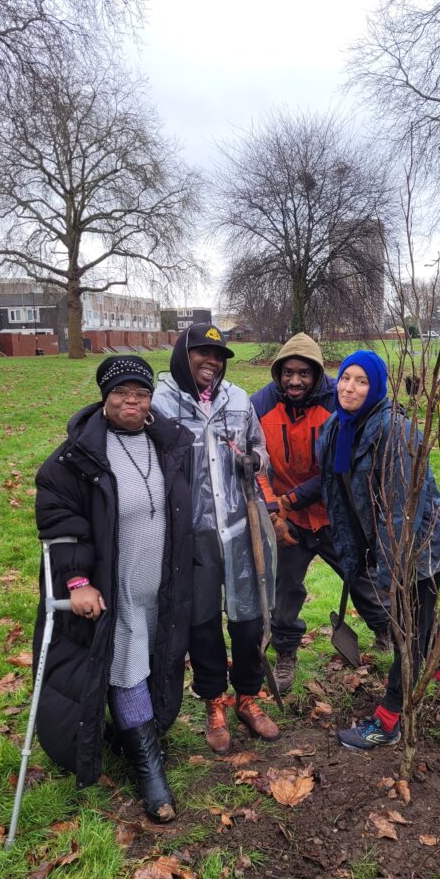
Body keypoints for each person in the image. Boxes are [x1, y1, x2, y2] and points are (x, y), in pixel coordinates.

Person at [33, 355, 193, 821]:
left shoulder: (169, 445)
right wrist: (77, 582)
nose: (131, 401)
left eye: (140, 394)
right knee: (126, 663)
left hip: (160, 583)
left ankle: (143, 730)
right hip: (113, 585)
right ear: (105, 399)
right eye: (121, 393)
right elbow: (62, 524)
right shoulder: (76, 457)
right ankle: (149, 770)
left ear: (150, 400)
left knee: (156, 658)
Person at [153, 323, 280, 755]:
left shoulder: (239, 399)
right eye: (203, 353)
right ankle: (214, 702)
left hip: (240, 527)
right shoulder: (161, 403)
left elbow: (261, 449)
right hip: (192, 533)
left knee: (248, 618)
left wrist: (254, 460)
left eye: (219, 355)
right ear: (182, 355)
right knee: (202, 622)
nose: (212, 362)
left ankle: (248, 696)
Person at [318, 350, 440, 749]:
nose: (350, 388)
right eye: (345, 378)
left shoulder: (395, 432)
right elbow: (338, 494)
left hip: (418, 548)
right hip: (383, 543)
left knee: (408, 632)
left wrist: (390, 574)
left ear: (376, 387)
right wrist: (352, 553)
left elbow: (399, 514)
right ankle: (438, 670)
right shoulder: (335, 428)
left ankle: (388, 720)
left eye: (361, 381)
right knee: (416, 625)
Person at [251, 333, 392, 694]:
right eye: (287, 372)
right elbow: (256, 468)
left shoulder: (337, 403)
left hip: (334, 515)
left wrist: (289, 500)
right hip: (288, 520)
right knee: (285, 590)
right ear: (278, 372)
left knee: (362, 578)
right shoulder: (259, 405)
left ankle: (386, 632)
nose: (295, 381)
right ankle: (285, 652)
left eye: (304, 373)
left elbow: (333, 470)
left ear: (317, 375)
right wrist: (272, 509)